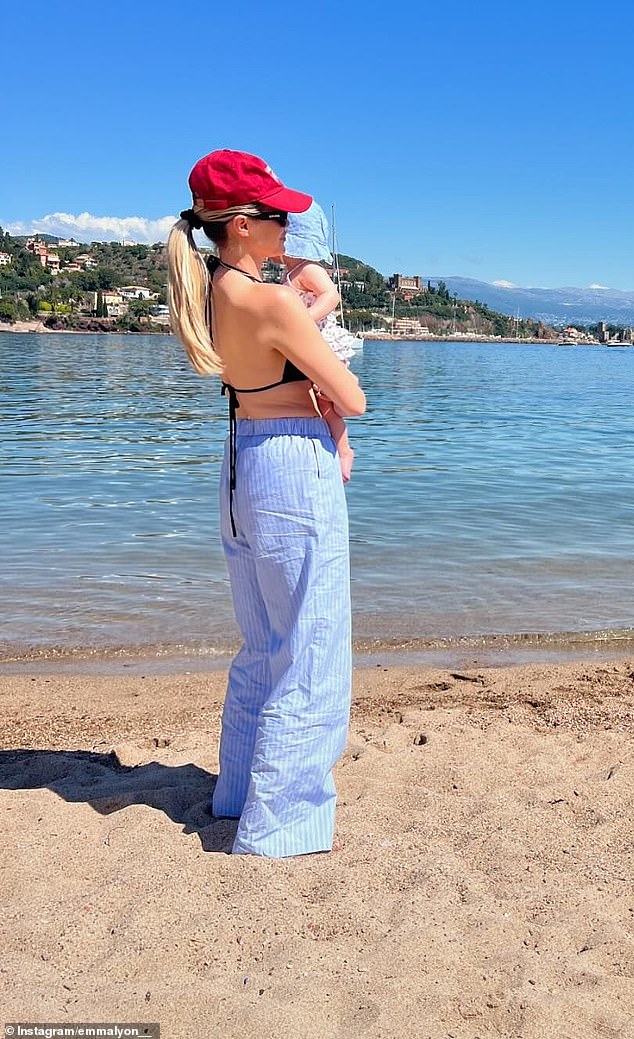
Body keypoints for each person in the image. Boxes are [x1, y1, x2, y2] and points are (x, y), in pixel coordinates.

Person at [167, 149, 365, 858]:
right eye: (278, 216)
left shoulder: (214, 288)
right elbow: (353, 397)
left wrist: (310, 310)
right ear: (244, 225)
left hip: (241, 459)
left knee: (263, 642)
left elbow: (273, 352)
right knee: (310, 645)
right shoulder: (274, 299)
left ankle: (240, 792)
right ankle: (281, 823)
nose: (288, 226)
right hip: (288, 463)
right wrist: (320, 307)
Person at [275, 201, 362, 482]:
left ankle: (345, 450)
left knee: (326, 403)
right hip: (305, 345)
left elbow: (332, 296)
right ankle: (340, 449)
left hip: (322, 343)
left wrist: (306, 318)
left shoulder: (308, 269)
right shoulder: (287, 274)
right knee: (320, 404)